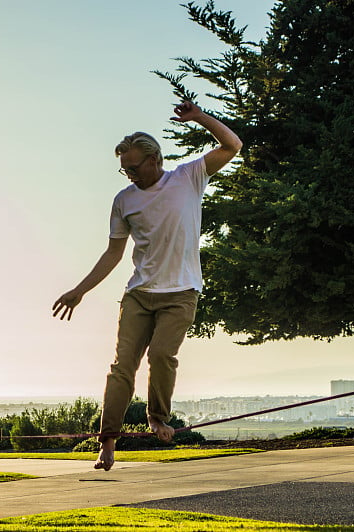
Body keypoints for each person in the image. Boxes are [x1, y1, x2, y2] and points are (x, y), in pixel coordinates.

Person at [52, 101, 242, 471]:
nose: (131, 176)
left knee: (161, 356)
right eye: (125, 170)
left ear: (155, 159)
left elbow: (232, 146)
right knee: (122, 368)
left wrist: (199, 117)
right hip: (139, 295)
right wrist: (80, 290)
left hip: (181, 293)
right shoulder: (124, 201)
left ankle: (158, 417)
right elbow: (113, 253)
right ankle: (107, 442)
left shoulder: (188, 177)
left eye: (135, 168)